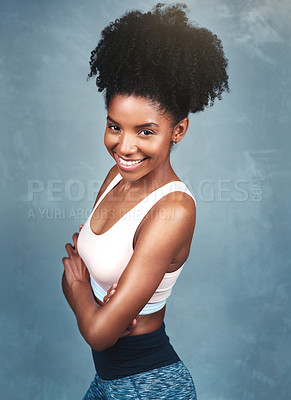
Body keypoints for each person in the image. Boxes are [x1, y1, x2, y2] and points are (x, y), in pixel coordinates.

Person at [61, 3, 229, 399]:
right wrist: (101, 306)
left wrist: (78, 293)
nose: (125, 146)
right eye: (114, 126)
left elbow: (101, 333)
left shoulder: (173, 210)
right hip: (108, 382)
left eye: (146, 131)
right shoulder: (118, 174)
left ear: (179, 130)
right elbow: (98, 296)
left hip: (149, 385)